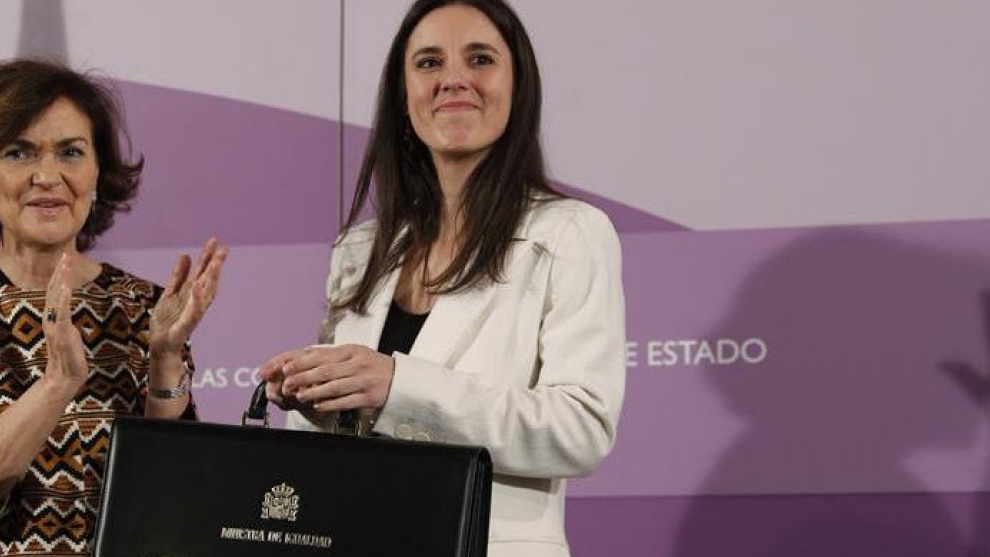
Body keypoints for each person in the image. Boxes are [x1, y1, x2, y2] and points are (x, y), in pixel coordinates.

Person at [259, 0, 625, 555]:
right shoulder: (360, 250)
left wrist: (397, 386)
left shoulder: (571, 233)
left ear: (518, 86)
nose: (454, 79)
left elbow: (581, 429)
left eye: (480, 59)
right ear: (403, 95)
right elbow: (347, 445)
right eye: (429, 62)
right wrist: (318, 404)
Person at [0, 59, 227, 555]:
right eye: (19, 152)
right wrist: (59, 382)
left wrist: (165, 359)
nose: (47, 176)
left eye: (71, 152)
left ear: (98, 171)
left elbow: (169, 491)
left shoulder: (141, 305)